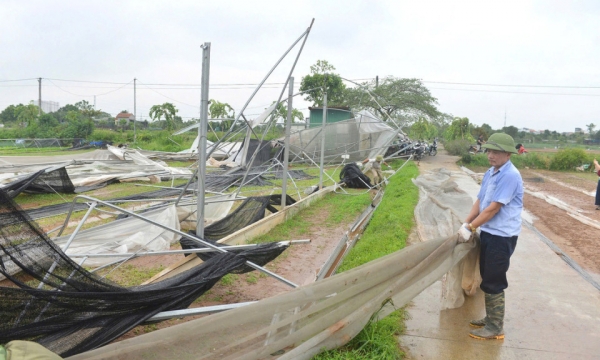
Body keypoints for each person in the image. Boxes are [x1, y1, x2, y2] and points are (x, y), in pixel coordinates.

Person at [457, 133, 523, 340]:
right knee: (487, 276)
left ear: (507, 154)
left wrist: (471, 228)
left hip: (502, 236)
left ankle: (495, 328)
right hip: (489, 233)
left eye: (495, 152)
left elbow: (493, 208)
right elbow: (480, 201)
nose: (490, 155)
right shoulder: (491, 172)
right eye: (489, 151)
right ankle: (491, 318)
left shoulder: (510, 175)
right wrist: (466, 223)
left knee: (494, 280)